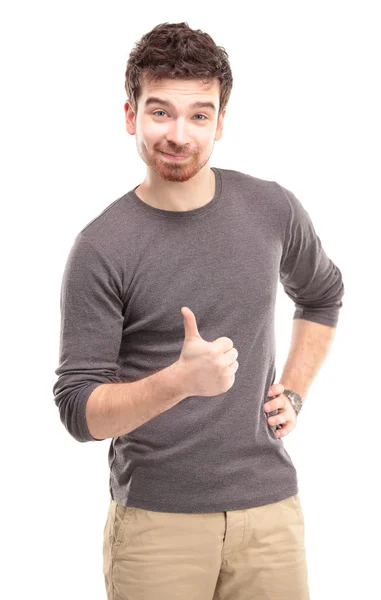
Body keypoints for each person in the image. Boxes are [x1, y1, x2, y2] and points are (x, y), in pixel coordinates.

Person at [53, 21, 345, 600]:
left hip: (270, 514)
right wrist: (180, 382)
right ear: (131, 116)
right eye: (160, 112)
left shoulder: (272, 207)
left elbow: (323, 293)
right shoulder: (102, 246)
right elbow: (78, 410)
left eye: (199, 115)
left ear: (221, 121)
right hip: (157, 525)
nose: (179, 134)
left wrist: (294, 390)